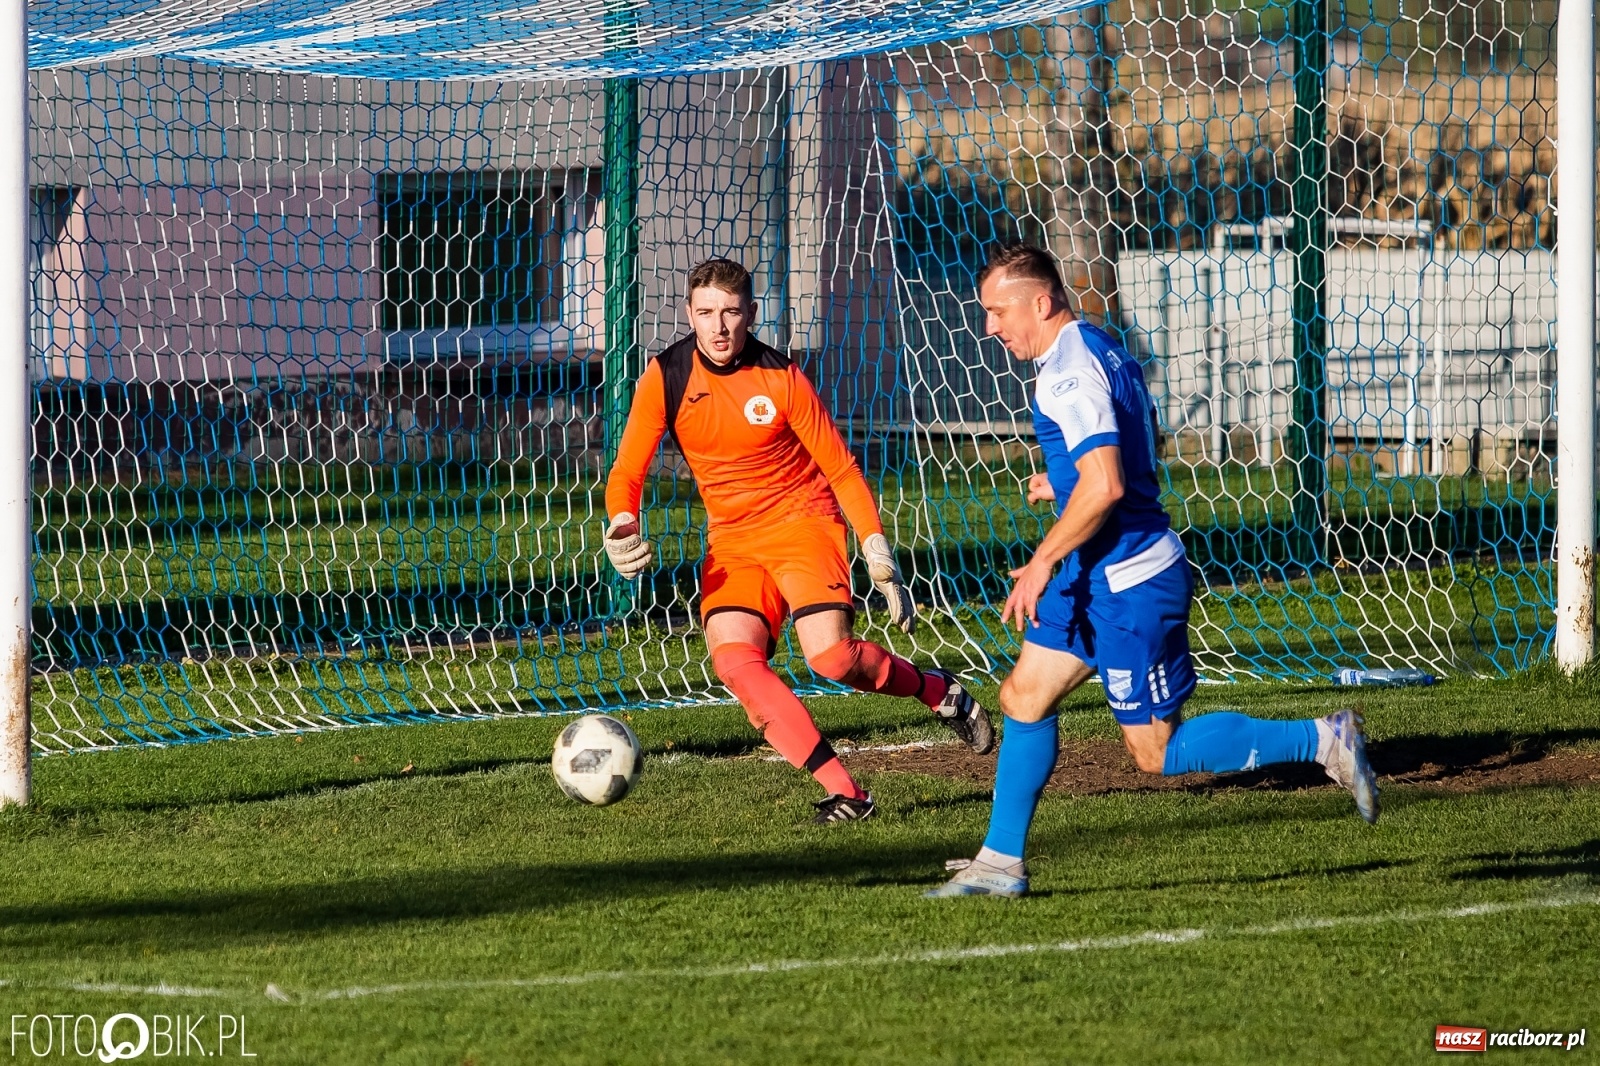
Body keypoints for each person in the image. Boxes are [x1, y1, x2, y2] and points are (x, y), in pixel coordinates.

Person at [927, 244, 1379, 897]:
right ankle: (1000, 864)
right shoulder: (1096, 344)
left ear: (1041, 301)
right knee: (1023, 696)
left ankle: (1323, 739)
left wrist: (1039, 561)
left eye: (999, 311)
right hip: (1096, 571)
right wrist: (1062, 483)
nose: (990, 327)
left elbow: (1107, 485)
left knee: (1155, 752)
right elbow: (1127, 446)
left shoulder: (1066, 375)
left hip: (1129, 581)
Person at [603, 257, 994, 824]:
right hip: (733, 540)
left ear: (751, 315)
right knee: (737, 663)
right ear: (688, 313)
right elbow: (627, 472)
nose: (718, 327)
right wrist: (620, 523)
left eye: (731, 313)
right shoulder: (665, 376)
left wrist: (875, 547)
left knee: (832, 658)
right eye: (706, 312)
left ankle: (938, 691)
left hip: (803, 524)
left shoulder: (782, 378)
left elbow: (841, 469)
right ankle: (850, 795)